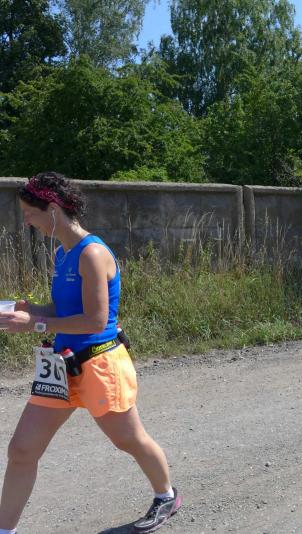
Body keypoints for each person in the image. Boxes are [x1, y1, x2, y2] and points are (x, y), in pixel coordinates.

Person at [0, 172, 181, 533]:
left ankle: (166, 495)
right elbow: (64, 310)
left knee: (128, 439)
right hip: (61, 365)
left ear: (53, 209)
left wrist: (35, 324)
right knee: (22, 450)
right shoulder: (62, 252)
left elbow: (95, 320)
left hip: (100, 362)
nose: (27, 221)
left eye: (30, 213)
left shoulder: (92, 253)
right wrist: (31, 310)